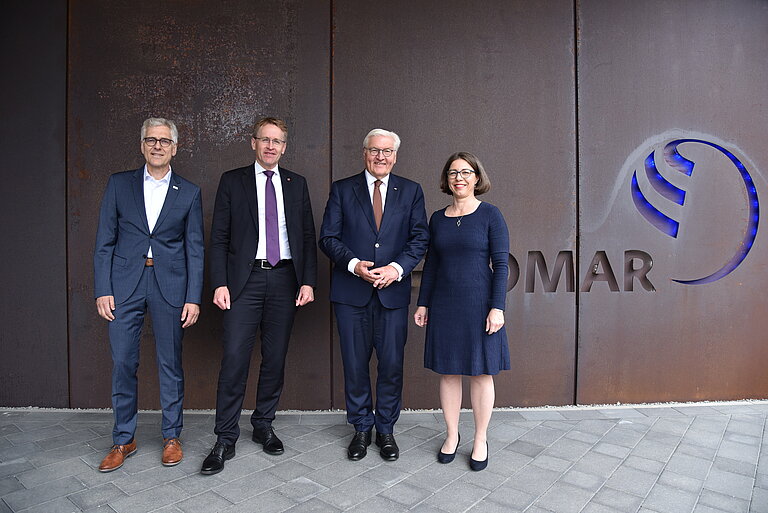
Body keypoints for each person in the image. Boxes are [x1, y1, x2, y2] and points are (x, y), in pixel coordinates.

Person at [201, 117, 317, 475]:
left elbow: (307, 237)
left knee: (275, 358)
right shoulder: (232, 181)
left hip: (284, 279)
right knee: (235, 357)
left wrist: (308, 281)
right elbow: (218, 237)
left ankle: (263, 423)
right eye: (264, 139)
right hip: (244, 282)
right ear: (253, 143)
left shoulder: (296, 184)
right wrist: (219, 283)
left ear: (284, 147)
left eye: (277, 141)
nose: (270, 146)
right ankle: (225, 437)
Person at [93, 118, 204, 472]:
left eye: (164, 141)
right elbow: (104, 242)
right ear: (142, 145)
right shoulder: (119, 185)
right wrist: (103, 288)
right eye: (151, 140)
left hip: (170, 285)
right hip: (125, 285)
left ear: (175, 147)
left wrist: (193, 296)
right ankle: (124, 439)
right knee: (124, 362)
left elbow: (195, 249)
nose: (157, 146)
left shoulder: (189, 191)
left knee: (170, 363)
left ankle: (172, 436)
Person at [319, 128, 429, 461]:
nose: (380, 157)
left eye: (387, 151)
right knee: (355, 364)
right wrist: (354, 265)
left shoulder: (411, 191)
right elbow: (328, 237)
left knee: (392, 365)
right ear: (364, 153)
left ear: (395, 156)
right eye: (374, 150)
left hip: (392, 295)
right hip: (351, 293)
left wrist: (396, 269)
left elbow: (419, 238)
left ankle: (386, 430)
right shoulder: (342, 189)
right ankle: (361, 428)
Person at [414, 151, 509, 472]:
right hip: (444, 305)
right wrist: (423, 302)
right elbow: (432, 266)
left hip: (480, 305)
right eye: (453, 173)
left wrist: (497, 307)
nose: (459, 178)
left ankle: (480, 438)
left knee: (482, 373)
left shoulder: (491, 215)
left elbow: (501, 265)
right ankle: (452, 435)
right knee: (449, 372)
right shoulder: (438, 218)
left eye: (466, 172)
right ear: (446, 179)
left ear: (477, 178)